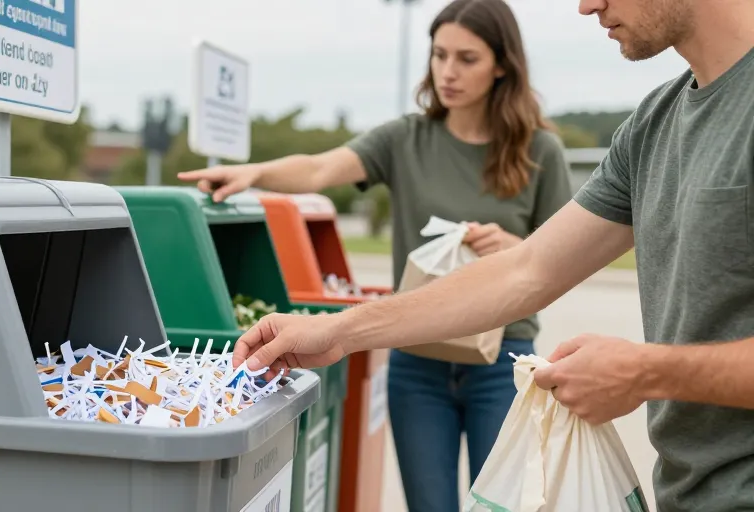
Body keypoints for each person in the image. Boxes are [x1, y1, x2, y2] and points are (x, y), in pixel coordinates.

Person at [226, 0, 754, 510]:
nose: (586, 6)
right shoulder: (652, 126)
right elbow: (527, 271)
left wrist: (645, 371)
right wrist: (337, 330)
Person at [177, 0, 573, 509]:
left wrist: (516, 248)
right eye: (439, 55)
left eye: (466, 59)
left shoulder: (540, 151)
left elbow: (564, 257)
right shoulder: (405, 139)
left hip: (503, 363)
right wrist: (254, 174)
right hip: (416, 362)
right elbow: (320, 170)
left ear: (502, 65)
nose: (447, 72)